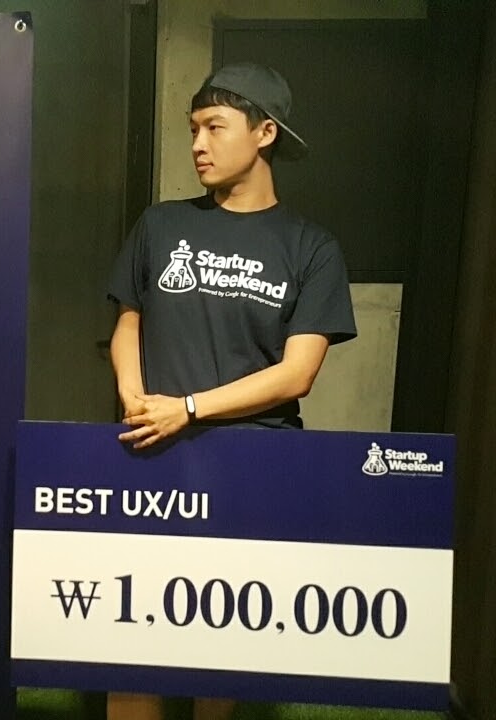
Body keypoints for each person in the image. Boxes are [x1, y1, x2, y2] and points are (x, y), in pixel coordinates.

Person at [105, 62, 357, 720]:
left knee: (219, 647)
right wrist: (135, 394)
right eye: (193, 128)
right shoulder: (160, 225)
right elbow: (128, 322)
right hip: (153, 449)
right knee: (127, 640)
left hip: (254, 461)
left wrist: (189, 409)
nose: (198, 144)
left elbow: (297, 373)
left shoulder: (312, 247)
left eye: (215, 127)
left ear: (264, 132)